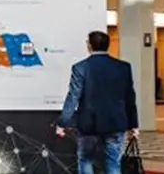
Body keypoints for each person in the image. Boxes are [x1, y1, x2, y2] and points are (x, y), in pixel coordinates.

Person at [56, 31, 140, 174]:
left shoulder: (80, 67)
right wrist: (134, 124)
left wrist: (62, 123)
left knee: (85, 159)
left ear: (89, 45)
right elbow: (130, 97)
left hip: (89, 124)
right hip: (115, 123)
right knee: (113, 163)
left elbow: (73, 97)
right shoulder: (123, 67)